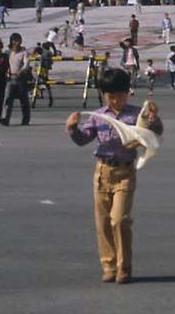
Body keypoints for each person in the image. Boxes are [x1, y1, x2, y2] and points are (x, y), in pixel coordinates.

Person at [65, 69, 164, 283]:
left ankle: (124, 266)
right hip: (102, 172)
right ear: (103, 95)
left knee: (119, 219)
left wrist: (154, 119)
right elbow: (83, 140)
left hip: (125, 172)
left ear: (127, 93)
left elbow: (154, 132)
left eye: (120, 95)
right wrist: (72, 128)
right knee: (102, 222)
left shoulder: (136, 115)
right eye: (111, 96)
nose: (116, 100)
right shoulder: (98, 117)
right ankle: (109, 265)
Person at [1, 43, 34, 126]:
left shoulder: (24, 53)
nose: (15, 45)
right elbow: (6, 64)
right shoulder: (9, 53)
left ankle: (25, 120)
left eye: (17, 42)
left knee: (24, 100)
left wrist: (21, 71)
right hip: (10, 78)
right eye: (14, 43)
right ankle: (5, 118)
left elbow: (26, 65)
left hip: (21, 78)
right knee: (8, 98)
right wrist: (7, 70)